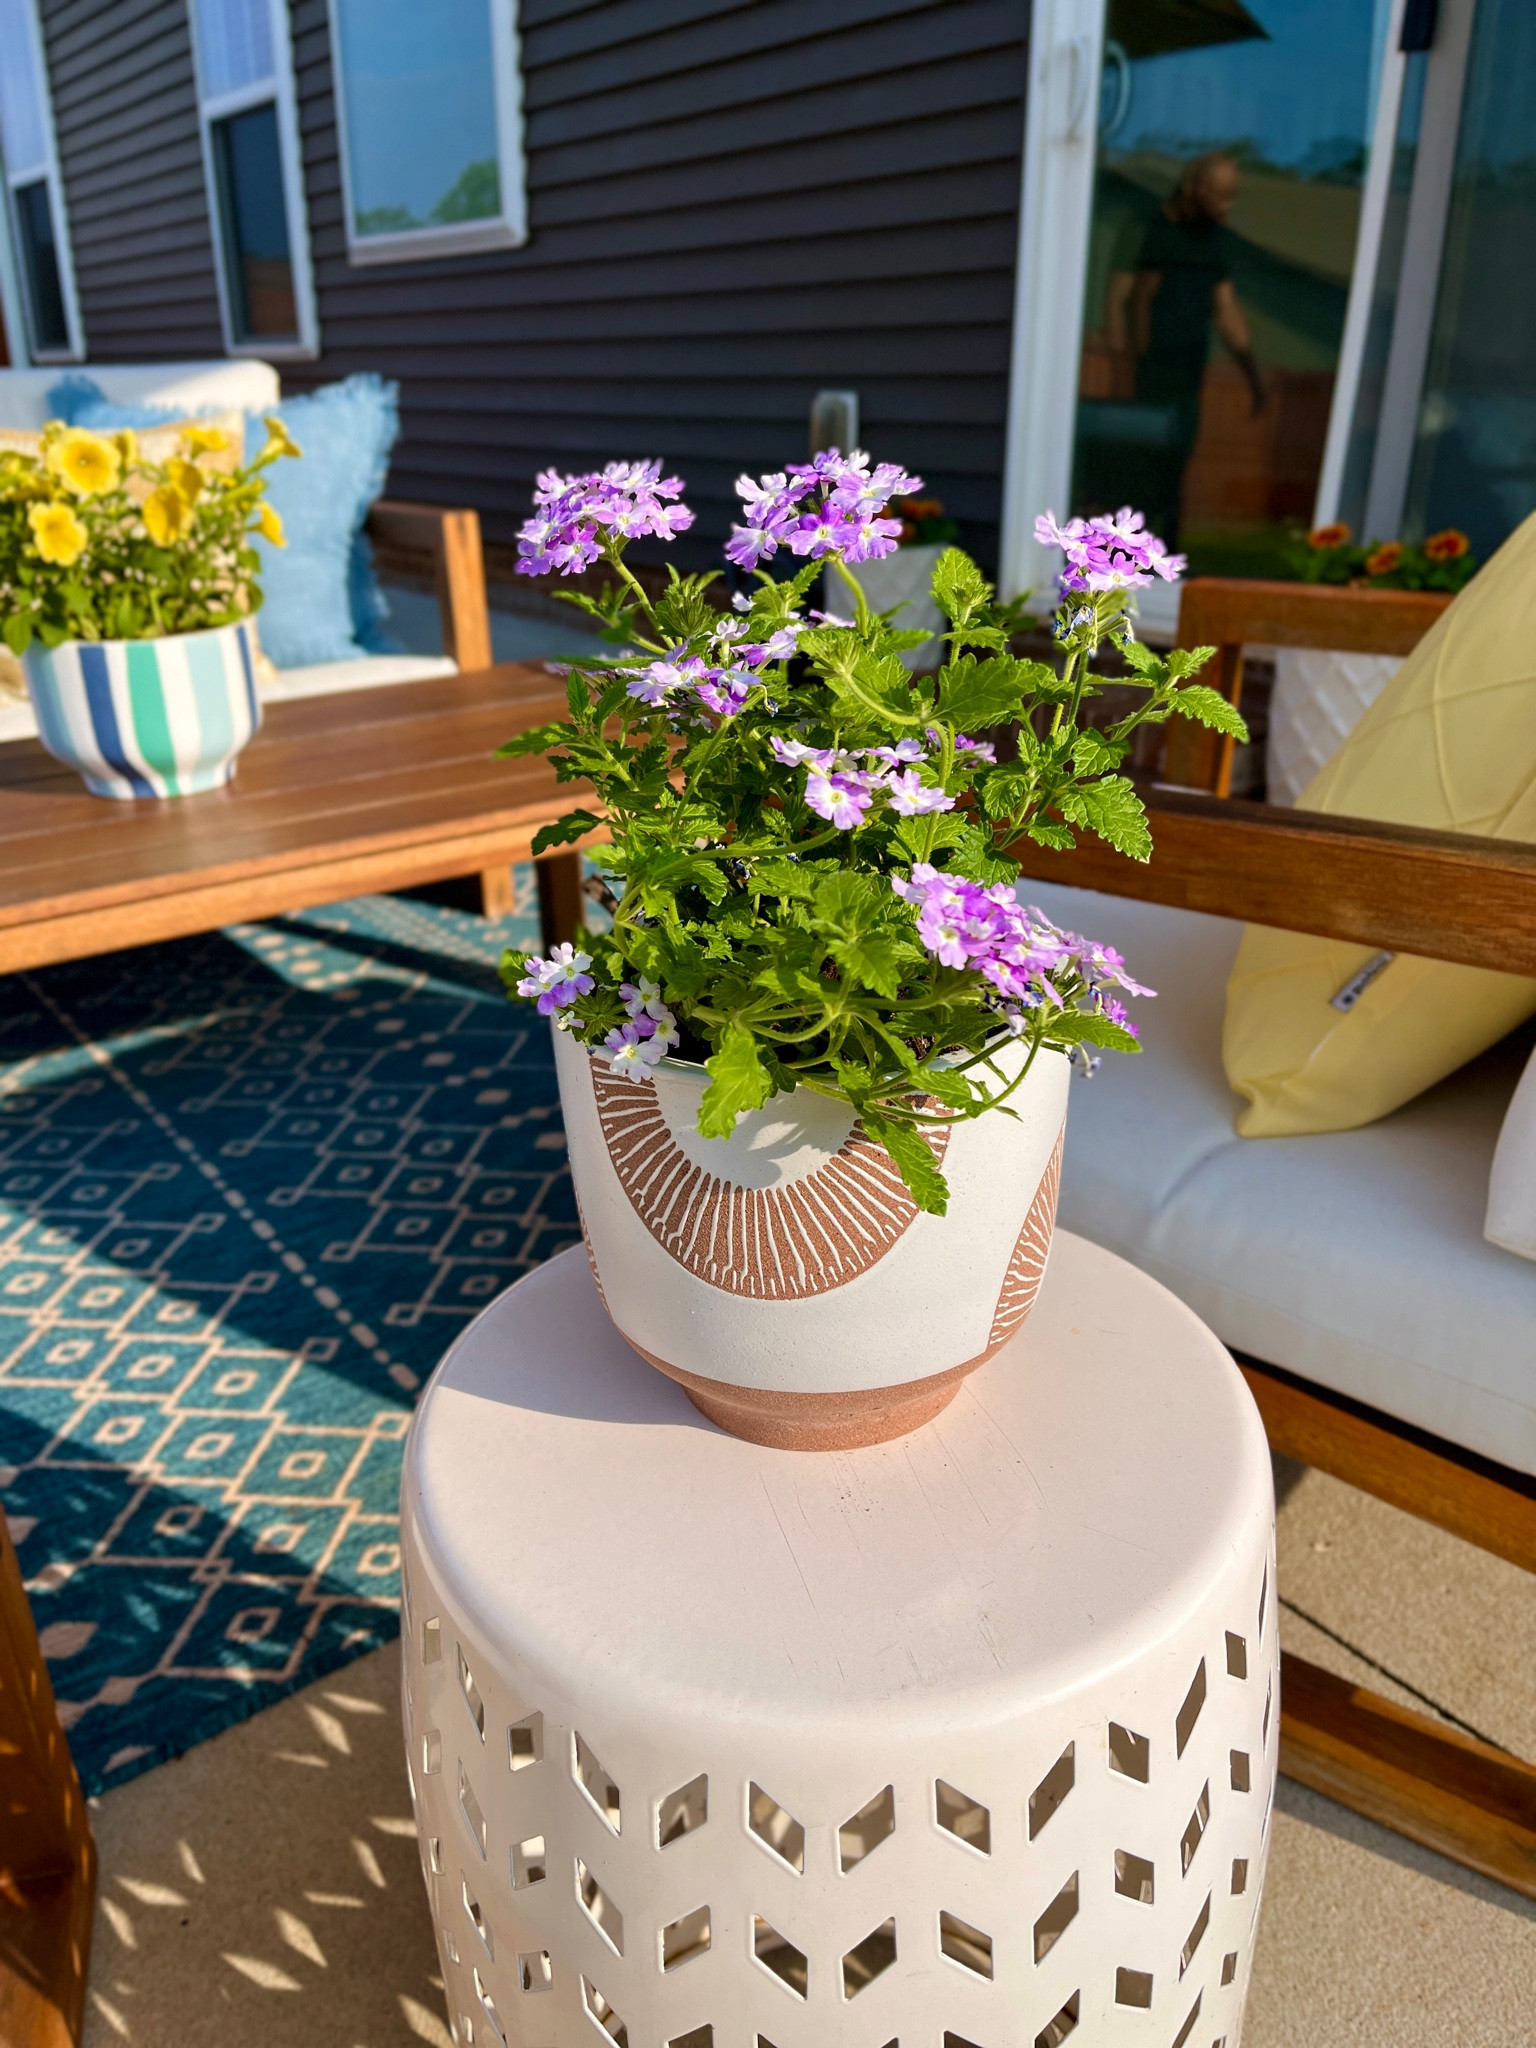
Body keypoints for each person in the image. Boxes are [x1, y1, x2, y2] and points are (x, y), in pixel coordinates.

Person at [1103, 152, 1264, 546]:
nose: (1228, 207)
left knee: (1177, 464)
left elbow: (1225, 308)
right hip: (1148, 371)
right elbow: (1122, 301)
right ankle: (1123, 555)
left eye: (1232, 197)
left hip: (1189, 372)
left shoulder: (1214, 239)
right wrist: (1126, 369)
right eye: (1222, 196)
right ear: (1197, 188)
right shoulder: (1149, 228)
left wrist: (1252, 375)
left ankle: (1167, 552)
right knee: (1139, 467)